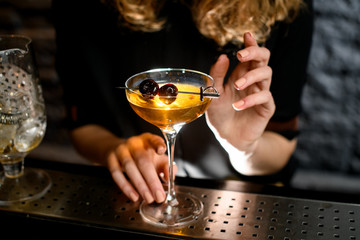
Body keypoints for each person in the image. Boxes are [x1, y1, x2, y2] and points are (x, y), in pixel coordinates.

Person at [52, 0, 313, 204]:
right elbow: (83, 123)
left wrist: (244, 148)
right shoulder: (85, 5)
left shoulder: (283, 6)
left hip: (245, 194)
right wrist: (115, 149)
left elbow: (282, 143)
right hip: (134, 193)